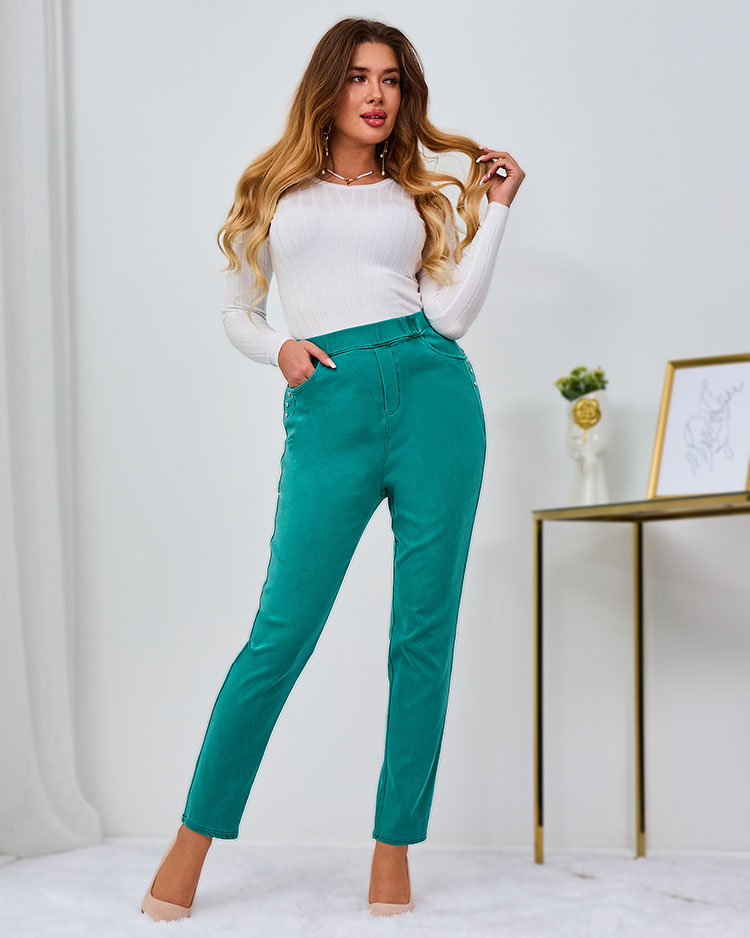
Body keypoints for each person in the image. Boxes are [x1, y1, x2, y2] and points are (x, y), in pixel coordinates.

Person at [141, 15, 524, 922]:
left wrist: (499, 210)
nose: (377, 95)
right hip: (329, 404)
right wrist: (279, 348)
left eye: (390, 79)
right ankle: (189, 844)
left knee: (422, 633)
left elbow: (452, 316)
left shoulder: (419, 198)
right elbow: (238, 312)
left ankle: (394, 852)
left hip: (435, 400)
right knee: (281, 633)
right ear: (329, 85)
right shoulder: (274, 191)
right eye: (359, 77)